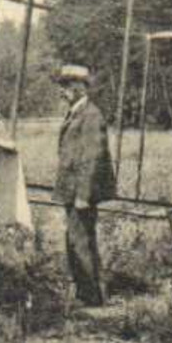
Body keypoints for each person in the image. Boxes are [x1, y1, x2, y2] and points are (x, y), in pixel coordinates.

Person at [53, 64, 115, 308]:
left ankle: (90, 297)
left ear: (80, 87)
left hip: (80, 192)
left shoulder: (90, 116)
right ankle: (87, 292)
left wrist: (83, 195)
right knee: (76, 238)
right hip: (73, 190)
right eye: (61, 86)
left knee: (80, 240)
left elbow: (92, 158)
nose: (62, 91)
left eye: (66, 86)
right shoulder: (76, 112)